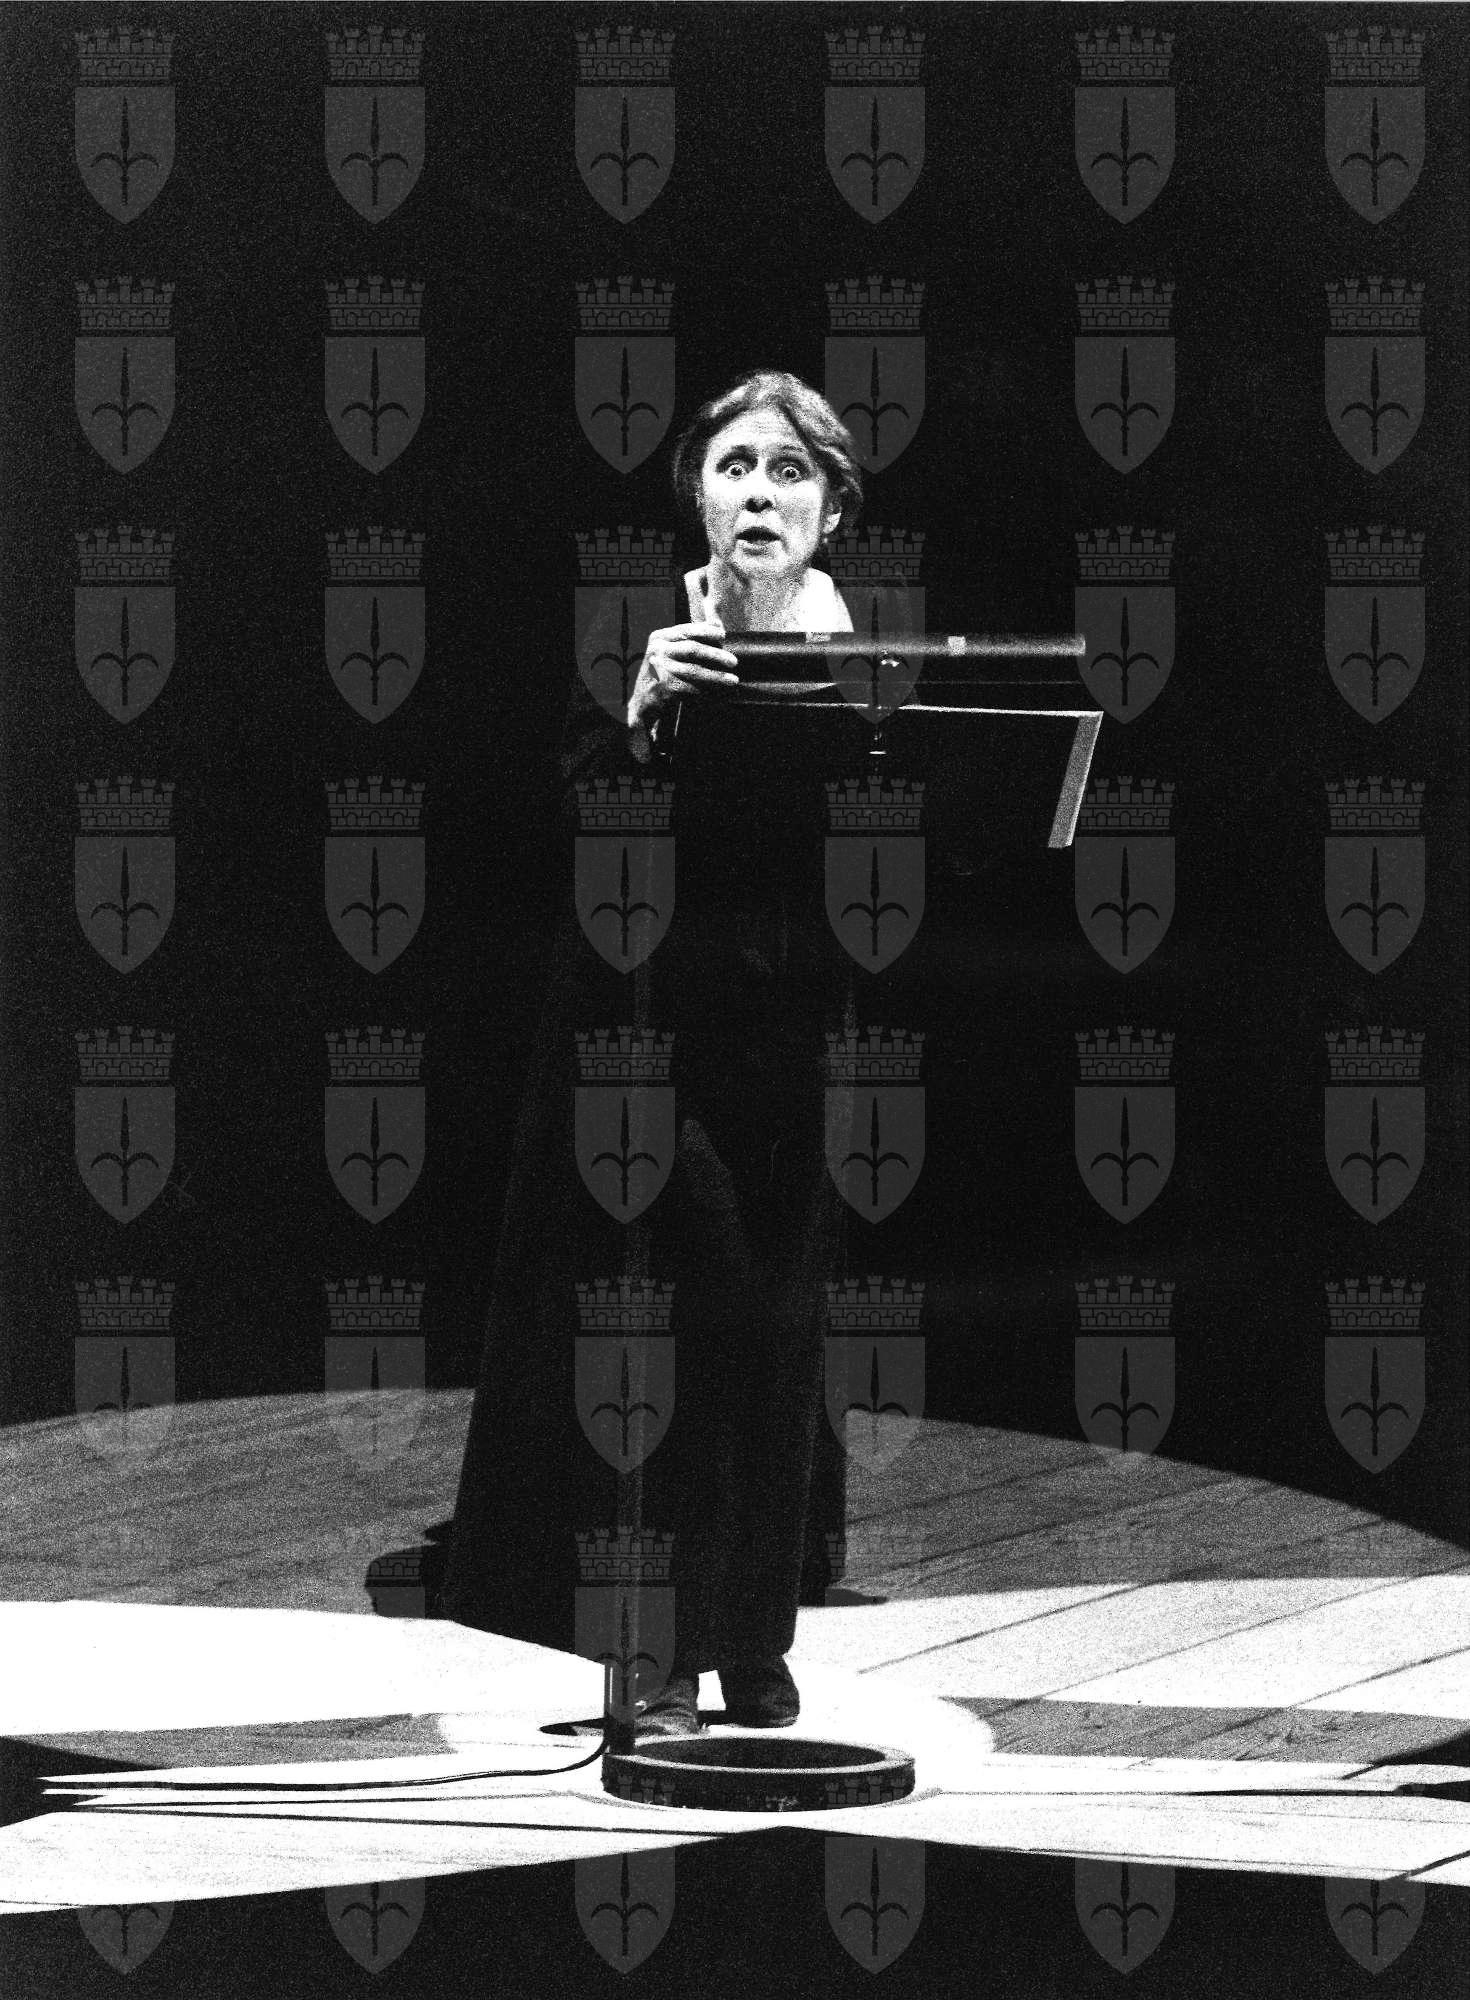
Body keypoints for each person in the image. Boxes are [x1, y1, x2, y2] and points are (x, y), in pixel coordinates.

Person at [440, 371, 863, 1736]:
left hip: (788, 1040)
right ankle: (654, 1651)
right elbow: (569, 833)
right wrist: (638, 718)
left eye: (789, 470)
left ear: (832, 508)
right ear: (697, 495)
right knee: (673, 1320)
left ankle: (752, 1634)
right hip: (646, 1036)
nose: (760, 492)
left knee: (775, 1331)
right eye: (734, 466)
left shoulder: (868, 656)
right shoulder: (640, 633)